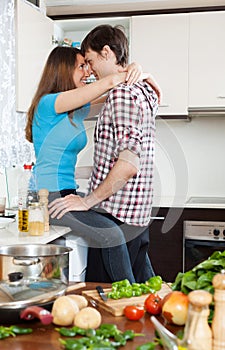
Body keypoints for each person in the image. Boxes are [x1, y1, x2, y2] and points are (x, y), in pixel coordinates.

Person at [25, 45, 159, 283]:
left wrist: (143, 76)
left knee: (126, 231)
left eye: (88, 64)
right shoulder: (49, 103)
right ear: (63, 70)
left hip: (67, 191)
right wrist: (131, 70)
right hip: (48, 198)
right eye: (81, 66)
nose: (87, 72)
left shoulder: (74, 111)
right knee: (113, 235)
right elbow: (108, 84)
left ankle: (149, 290)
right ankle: (126, 297)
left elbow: (119, 94)